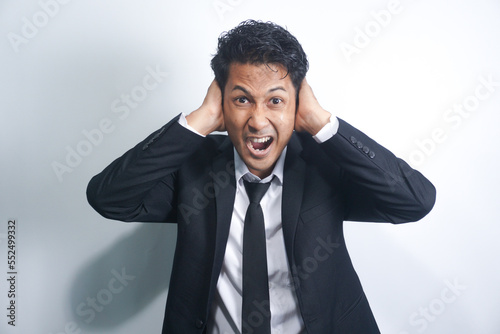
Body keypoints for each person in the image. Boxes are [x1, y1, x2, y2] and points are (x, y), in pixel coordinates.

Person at [87, 20, 436, 334]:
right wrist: (200, 120)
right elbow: (109, 197)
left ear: (297, 103)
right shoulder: (192, 169)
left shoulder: (324, 165)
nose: (257, 120)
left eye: (275, 101)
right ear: (222, 103)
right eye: (241, 100)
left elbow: (414, 201)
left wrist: (320, 121)